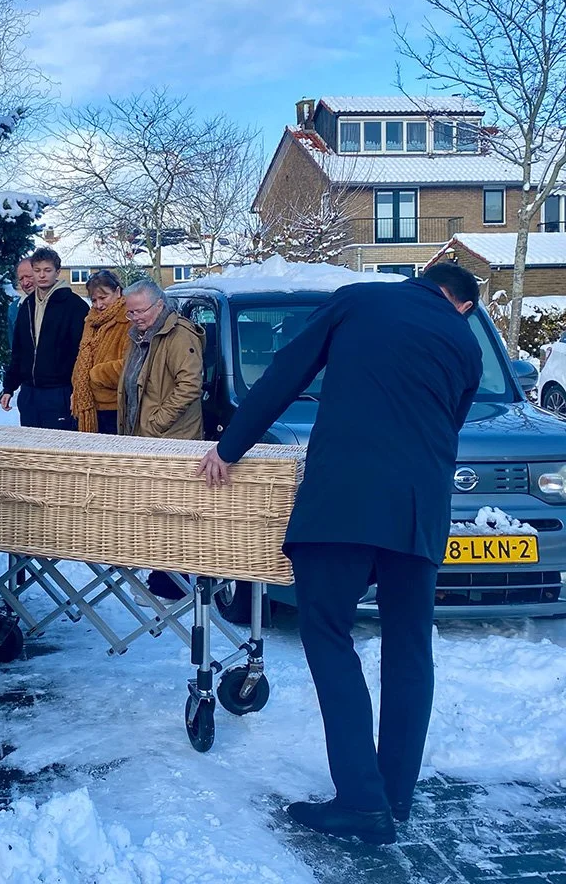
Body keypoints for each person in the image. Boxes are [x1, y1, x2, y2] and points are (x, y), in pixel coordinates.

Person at [197, 264, 483, 845]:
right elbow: (446, 426)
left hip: (343, 504)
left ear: (423, 282)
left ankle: (361, 802)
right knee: (409, 648)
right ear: (461, 303)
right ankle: (394, 796)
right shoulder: (465, 343)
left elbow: (285, 373)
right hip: (419, 514)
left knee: (327, 631)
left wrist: (230, 446)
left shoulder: (358, 301)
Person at [1, 247, 89, 429]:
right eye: (37, 270)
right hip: (29, 393)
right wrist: (9, 387)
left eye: (47, 270)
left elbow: (83, 353)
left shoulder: (75, 306)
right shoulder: (26, 306)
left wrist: (78, 390)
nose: (42, 275)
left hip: (60, 393)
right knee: (31, 451)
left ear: (57, 272)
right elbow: (18, 350)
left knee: (58, 451)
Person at [115, 279, 205, 440]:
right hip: (143, 435)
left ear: (159, 305)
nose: (135, 318)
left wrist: (157, 423)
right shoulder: (138, 334)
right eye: (131, 313)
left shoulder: (180, 336)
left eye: (141, 311)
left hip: (170, 439)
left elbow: (190, 385)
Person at [70, 270, 131, 434]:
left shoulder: (129, 320)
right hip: (88, 404)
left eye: (103, 298)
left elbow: (130, 365)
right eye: (94, 300)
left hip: (114, 408)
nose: (98, 305)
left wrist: (95, 375)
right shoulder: (91, 321)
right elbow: (82, 357)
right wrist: (77, 387)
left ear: (118, 292)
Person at [7, 258, 35, 349]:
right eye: (21, 279)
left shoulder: (59, 305)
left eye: (29, 276)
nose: (25, 283)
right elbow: (14, 347)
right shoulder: (14, 308)